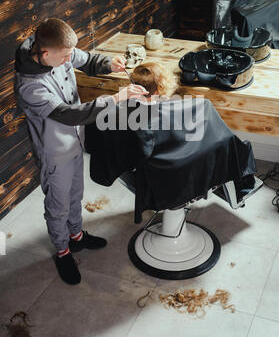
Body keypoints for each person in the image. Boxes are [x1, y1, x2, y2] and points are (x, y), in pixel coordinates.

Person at [14, 18, 148, 285]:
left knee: (76, 193)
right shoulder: (30, 87)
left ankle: (76, 237)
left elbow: (86, 59)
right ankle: (62, 252)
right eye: (63, 57)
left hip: (76, 143)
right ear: (43, 53)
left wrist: (108, 64)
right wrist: (117, 98)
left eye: (68, 55)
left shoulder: (57, 51)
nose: (68, 61)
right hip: (55, 152)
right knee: (58, 204)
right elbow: (69, 114)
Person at [85, 62, 257, 224]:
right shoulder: (199, 105)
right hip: (179, 177)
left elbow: (122, 152)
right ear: (161, 87)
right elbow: (222, 139)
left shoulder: (121, 116)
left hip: (158, 178)